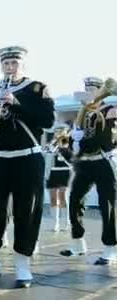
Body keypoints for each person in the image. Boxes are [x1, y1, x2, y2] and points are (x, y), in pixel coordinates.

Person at [0, 46, 54, 288]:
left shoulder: (37, 89)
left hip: (26, 158)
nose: (9, 67)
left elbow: (48, 121)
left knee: (26, 211)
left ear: (23, 65)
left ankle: (23, 265)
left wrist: (16, 104)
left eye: (14, 63)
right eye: (6, 63)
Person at [61, 76, 117, 265]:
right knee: (75, 200)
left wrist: (82, 139)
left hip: (103, 161)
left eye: (92, 89)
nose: (88, 92)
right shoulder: (81, 113)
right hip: (85, 163)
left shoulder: (110, 110)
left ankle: (110, 248)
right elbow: (72, 140)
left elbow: (106, 139)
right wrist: (74, 141)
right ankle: (78, 243)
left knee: (107, 205)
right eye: (86, 89)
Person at [45, 123, 72, 232]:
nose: (58, 132)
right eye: (57, 131)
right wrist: (52, 148)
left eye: (61, 130)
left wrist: (61, 148)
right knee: (53, 198)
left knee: (62, 197)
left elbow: (70, 157)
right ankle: (55, 223)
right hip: (52, 172)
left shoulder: (67, 142)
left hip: (64, 172)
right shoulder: (51, 144)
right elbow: (47, 154)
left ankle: (66, 221)